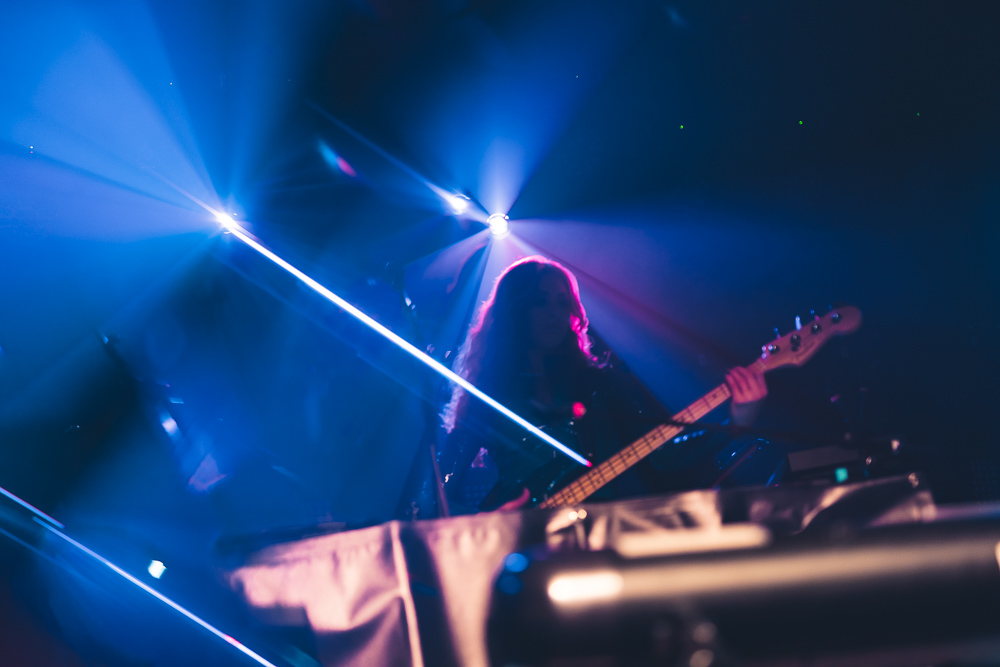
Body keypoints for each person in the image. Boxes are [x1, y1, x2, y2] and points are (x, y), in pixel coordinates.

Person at [438, 256, 767, 513]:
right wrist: (484, 522)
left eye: (563, 303)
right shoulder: (490, 393)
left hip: (598, 530)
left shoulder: (600, 383)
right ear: (515, 309)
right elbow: (439, 487)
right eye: (540, 300)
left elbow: (664, 455)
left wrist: (737, 422)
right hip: (524, 541)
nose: (554, 313)